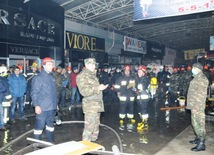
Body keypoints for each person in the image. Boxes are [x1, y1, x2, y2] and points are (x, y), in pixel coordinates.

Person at [76, 58, 108, 142]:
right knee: (89, 128)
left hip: (96, 105)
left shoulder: (93, 75)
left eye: (94, 64)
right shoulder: (82, 76)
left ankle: (93, 145)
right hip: (90, 106)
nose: (94, 66)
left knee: (95, 127)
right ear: (87, 65)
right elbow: (83, 91)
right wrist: (98, 88)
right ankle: (86, 146)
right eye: (92, 64)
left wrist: (101, 88)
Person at [31, 57, 58, 143]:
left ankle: (50, 144)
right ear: (44, 66)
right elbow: (34, 93)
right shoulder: (38, 78)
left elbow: (54, 93)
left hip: (51, 107)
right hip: (42, 108)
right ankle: (37, 146)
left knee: (50, 127)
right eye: (49, 65)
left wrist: (56, 105)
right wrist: (36, 105)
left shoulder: (51, 77)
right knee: (39, 128)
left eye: (52, 65)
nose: (51, 66)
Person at [186, 63, 209, 152]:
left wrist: (196, 106)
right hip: (194, 105)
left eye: (193, 68)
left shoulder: (202, 78)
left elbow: (201, 95)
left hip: (197, 106)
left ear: (198, 68)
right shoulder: (197, 77)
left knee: (199, 124)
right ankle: (198, 139)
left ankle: (201, 144)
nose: (192, 69)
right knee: (195, 123)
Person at [114, 65, 136, 131]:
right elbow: (116, 86)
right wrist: (118, 92)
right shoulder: (120, 78)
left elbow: (134, 87)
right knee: (122, 108)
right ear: (124, 71)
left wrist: (134, 89)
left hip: (131, 95)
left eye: (128, 70)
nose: (127, 71)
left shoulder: (133, 78)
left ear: (129, 71)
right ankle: (122, 119)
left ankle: (130, 119)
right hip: (123, 95)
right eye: (126, 70)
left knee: (131, 108)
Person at [134, 66, 150, 131]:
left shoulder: (145, 79)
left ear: (144, 73)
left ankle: (145, 124)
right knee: (141, 111)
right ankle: (142, 122)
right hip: (140, 97)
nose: (139, 73)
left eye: (140, 72)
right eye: (138, 72)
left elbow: (142, 87)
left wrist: (136, 88)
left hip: (144, 98)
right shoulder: (139, 79)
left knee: (144, 111)